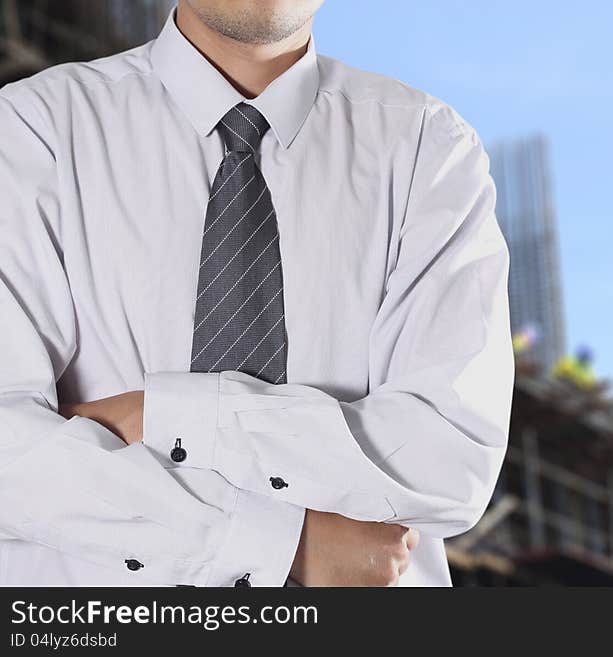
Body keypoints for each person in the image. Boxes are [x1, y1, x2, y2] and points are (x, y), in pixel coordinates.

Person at [0, 0, 513, 587]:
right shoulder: (29, 131)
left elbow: (451, 459)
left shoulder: (429, 149)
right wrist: (279, 545)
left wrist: (168, 415)